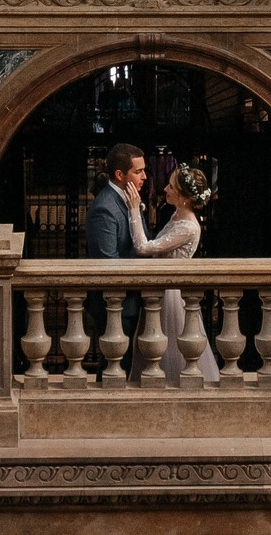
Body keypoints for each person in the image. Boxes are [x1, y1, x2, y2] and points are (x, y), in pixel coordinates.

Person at [121, 161, 222, 383]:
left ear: (184, 196)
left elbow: (144, 247)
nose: (165, 189)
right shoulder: (177, 216)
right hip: (160, 290)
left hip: (171, 295)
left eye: (171, 187)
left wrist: (134, 210)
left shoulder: (188, 227)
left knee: (169, 350)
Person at [83, 143, 146, 373]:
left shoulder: (131, 201)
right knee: (115, 369)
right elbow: (108, 263)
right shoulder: (105, 209)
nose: (145, 177)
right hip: (116, 305)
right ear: (120, 175)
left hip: (132, 303)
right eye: (138, 172)